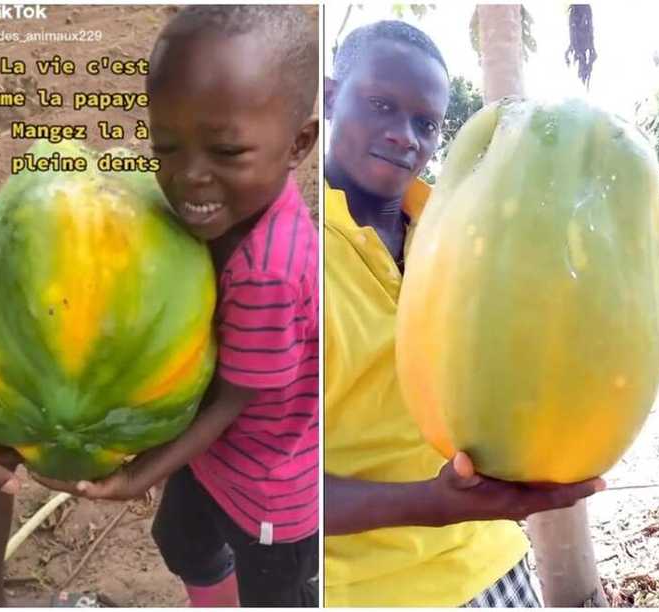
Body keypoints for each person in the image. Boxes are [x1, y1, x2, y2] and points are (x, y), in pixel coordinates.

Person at [36, 6, 320, 607]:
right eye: (166, 145)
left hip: (269, 486)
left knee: (276, 592)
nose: (190, 177)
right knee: (183, 541)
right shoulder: (239, 198)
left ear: (298, 143)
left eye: (226, 152)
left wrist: (140, 474)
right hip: (215, 456)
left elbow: (231, 402)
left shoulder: (268, 271)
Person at [322, 20, 603, 607]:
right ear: (327, 97)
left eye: (426, 123)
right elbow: (265, 489)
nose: (405, 136)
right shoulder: (279, 250)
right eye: (380, 105)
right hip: (368, 591)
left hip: (494, 563)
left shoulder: (460, 225)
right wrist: (431, 502)